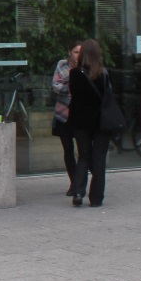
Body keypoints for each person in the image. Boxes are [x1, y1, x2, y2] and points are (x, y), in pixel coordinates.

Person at [67, 38, 113, 207]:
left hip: (81, 121)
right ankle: (96, 198)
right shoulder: (104, 73)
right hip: (101, 122)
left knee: (83, 156)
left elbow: (74, 96)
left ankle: (78, 192)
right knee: (99, 159)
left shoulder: (74, 74)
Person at [51, 40, 83, 196]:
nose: (78, 55)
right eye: (76, 52)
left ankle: (79, 182)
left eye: (80, 52)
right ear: (69, 51)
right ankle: (73, 183)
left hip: (80, 114)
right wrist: (70, 87)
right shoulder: (62, 65)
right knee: (68, 149)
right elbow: (55, 85)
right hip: (64, 113)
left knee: (82, 149)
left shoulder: (86, 66)